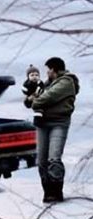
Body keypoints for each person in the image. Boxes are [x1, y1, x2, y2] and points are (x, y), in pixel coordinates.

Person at [29, 57, 80, 203]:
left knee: (54, 157)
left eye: (48, 70)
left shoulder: (66, 82)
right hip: (43, 123)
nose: (46, 73)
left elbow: (47, 98)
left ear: (55, 69)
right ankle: (47, 190)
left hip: (59, 123)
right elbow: (34, 97)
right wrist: (31, 97)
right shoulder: (48, 83)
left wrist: (35, 101)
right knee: (41, 160)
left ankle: (56, 191)